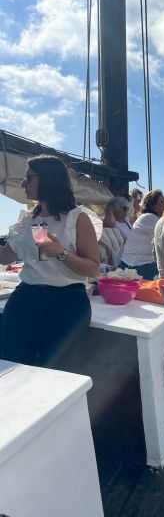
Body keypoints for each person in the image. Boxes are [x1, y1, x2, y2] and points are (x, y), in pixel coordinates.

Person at [0, 155, 102, 367]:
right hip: (26, 298)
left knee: (55, 371)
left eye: (28, 177)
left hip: (66, 303)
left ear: (48, 179)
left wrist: (61, 253)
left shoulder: (76, 218)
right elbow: (6, 257)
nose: (22, 183)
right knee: (11, 364)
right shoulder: (28, 220)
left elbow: (93, 269)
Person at [120, 189, 164, 280]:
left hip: (138, 264)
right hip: (135, 267)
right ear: (154, 206)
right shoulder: (150, 218)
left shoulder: (152, 218)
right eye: (163, 202)